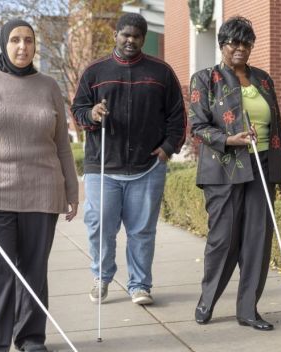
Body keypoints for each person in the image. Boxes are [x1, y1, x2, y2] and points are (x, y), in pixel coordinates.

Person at [0, 19, 79, 352]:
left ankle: (31, 338)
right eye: (15, 40)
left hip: (43, 192)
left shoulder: (49, 86)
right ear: (3, 45)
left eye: (28, 40)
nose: (22, 46)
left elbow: (62, 144)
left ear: (35, 46)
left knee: (33, 271)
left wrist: (72, 191)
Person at [71, 13, 185, 306]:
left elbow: (177, 115)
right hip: (103, 167)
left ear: (143, 39)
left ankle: (139, 285)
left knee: (142, 231)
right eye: (125, 35)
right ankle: (102, 276)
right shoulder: (95, 71)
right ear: (115, 35)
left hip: (147, 167)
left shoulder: (161, 72)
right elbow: (78, 109)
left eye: (136, 36)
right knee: (99, 226)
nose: (130, 40)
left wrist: (168, 148)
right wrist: (92, 114)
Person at [188, 16, 281, 331]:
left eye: (246, 43)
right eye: (234, 42)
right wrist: (229, 140)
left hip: (262, 166)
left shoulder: (263, 80)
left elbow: (277, 127)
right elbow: (199, 126)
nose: (240, 48)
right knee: (224, 239)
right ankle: (208, 299)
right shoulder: (205, 79)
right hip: (224, 168)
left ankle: (248, 310)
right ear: (222, 44)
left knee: (257, 240)